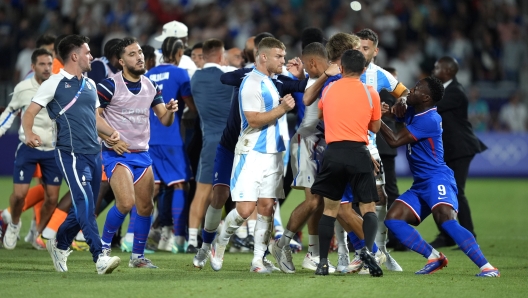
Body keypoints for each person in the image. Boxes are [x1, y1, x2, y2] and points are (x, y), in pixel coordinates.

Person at [192, 36, 310, 270]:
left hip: (267, 149)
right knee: (220, 196)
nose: (283, 61)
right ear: (261, 55)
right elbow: (226, 77)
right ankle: (207, 245)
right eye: (279, 57)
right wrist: (244, 72)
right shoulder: (246, 79)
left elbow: (302, 87)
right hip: (235, 146)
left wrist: (299, 76)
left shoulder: (276, 81)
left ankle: (258, 257)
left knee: (266, 205)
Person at [380, 76, 500, 277]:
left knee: (446, 219)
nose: (412, 89)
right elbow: (396, 111)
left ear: (426, 97)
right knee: (393, 219)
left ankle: (487, 267)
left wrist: (376, 118)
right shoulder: (415, 110)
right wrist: (393, 107)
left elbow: (393, 140)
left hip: (437, 179)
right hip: (421, 183)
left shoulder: (430, 119)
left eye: (417, 88)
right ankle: (434, 257)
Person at [22, 34, 120, 274]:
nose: (92, 56)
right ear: (75, 56)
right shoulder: (53, 83)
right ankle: (100, 257)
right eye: (88, 52)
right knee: (85, 204)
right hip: (71, 154)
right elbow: (30, 113)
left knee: (85, 208)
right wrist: (28, 133)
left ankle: (59, 244)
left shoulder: (90, 84)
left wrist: (113, 134)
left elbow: (96, 119)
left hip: (94, 153)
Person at [98, 37, 178, 269]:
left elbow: (164, 119)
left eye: (140, 52)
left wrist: (171, 111)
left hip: (142, 155)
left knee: (145, 207)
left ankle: (137, 257)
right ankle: (103, 252)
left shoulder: (151, 86)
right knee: (125, 203)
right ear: (121, 61)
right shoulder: (109, 85)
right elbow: (94, 118)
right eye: (132, 54)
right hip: (117, 154)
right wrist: (110, 139)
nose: (139, 56)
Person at [309, 49, 383, 277]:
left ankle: (322, 262)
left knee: (330, 210)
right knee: (368, 207)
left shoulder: (329, 89)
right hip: (359, 153)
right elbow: (376, 127)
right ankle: (368, 252)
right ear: (363, 69)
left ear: (341, 68)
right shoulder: (371, 92)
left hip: (333, 152)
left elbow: (321, 115)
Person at [1, 49, 62, 250]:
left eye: (49, 64)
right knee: (19, 195)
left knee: (52, 197)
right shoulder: (23, 88)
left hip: (52, 149)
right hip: (28, 147)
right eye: (42, 64)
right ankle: (14, 223)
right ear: (33, 66)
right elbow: (11, 111)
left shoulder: (59, 86)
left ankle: (38, 233)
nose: (47, 68)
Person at [430, 56, 487, 248]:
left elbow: (430, 106)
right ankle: (447, 235)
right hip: (449, 149)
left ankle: (468, 235)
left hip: (460, 148)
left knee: (456, 192)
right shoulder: (446, 90)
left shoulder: (455, 92)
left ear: (448, 71)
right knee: (444, 192)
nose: (434, 69)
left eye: (437, 67)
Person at [146, 37, 196, 253]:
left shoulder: (148, 75)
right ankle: (178, 239)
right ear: (178, 53)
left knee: (154, 187)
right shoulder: (180, 73)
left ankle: (135, 234)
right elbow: (190, 104)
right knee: (179, 184)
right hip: (171, 136)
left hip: (149, 137)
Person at [187, 39, 235, 253]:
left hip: (209, 143)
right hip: (231, 142)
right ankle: (248, 235)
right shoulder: (229, 76)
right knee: (244, 192)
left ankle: (190, 240)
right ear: (219, 55)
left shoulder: (194, 78)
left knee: (202, 192)